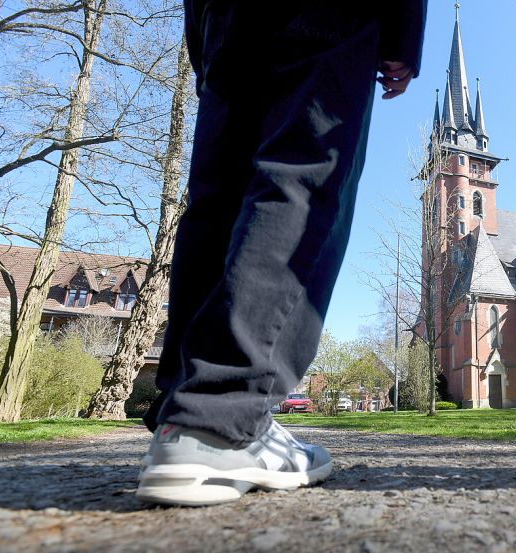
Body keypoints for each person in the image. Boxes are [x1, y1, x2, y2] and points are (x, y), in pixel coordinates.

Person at [136, 1, 427, 507]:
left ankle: (182, 421)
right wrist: (404, 30)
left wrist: (205, 29)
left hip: (222, 20)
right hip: (326, 19)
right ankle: (222, 418)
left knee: (217, 195)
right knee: (302, 172)